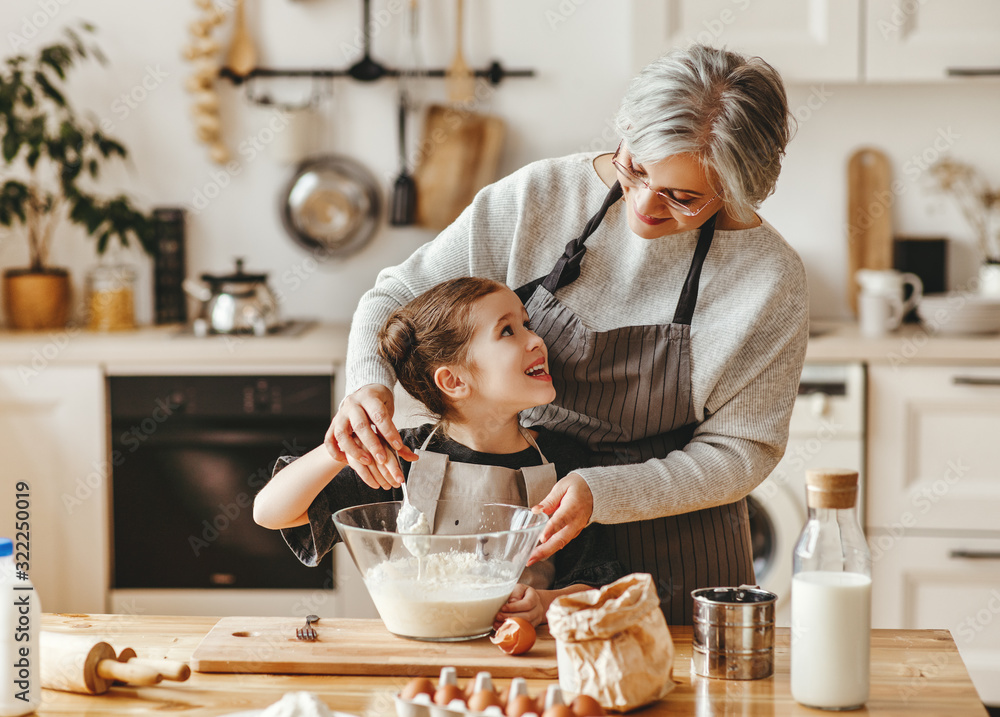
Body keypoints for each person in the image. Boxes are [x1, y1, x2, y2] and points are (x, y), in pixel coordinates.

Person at [324, 44, 809, 625]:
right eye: (634, 168)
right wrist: (368, 383)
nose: (645, 205)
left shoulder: (768, 279)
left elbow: (743, 450)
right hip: (531, 543)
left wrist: (604, 492)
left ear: (739, 188)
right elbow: (394, 298)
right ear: (625, 131)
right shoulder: (539, 197)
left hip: (680, 552)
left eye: (683, 198)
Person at [254, 277, 624, 627]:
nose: (536, 340)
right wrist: (337, 451)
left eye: (527, 324)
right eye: (508, 331)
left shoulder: (564, 462)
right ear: (454, 381)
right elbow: (270, 513)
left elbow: (599, 583)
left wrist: (546, 604)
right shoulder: (401, 458)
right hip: (419, 652)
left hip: (529, 661)